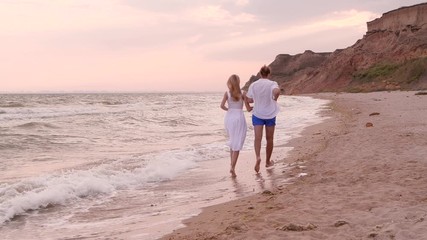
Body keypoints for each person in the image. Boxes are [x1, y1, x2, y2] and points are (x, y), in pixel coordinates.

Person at [245, 65, 281, 173]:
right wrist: (275, 97)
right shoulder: (272, 83)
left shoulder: (254, 85)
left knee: (257, 138)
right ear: (269, 74)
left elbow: (250, 99)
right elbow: (276, 91)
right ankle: (267, 161)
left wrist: (247, 103)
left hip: (257, 114)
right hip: (270, 114)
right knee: (269, 139)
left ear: (260, 73)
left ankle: (257, 158)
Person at [220, 74, 252, 177]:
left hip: (229, 118)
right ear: (238, 82)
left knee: (233, 141)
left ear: (229, 82)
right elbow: (248, 108)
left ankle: (232, 165)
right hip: (239, 117)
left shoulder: (227, 93)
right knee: (237, 143)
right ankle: (232, 167)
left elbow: (221, 106)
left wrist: (229, 110)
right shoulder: (243, 93)